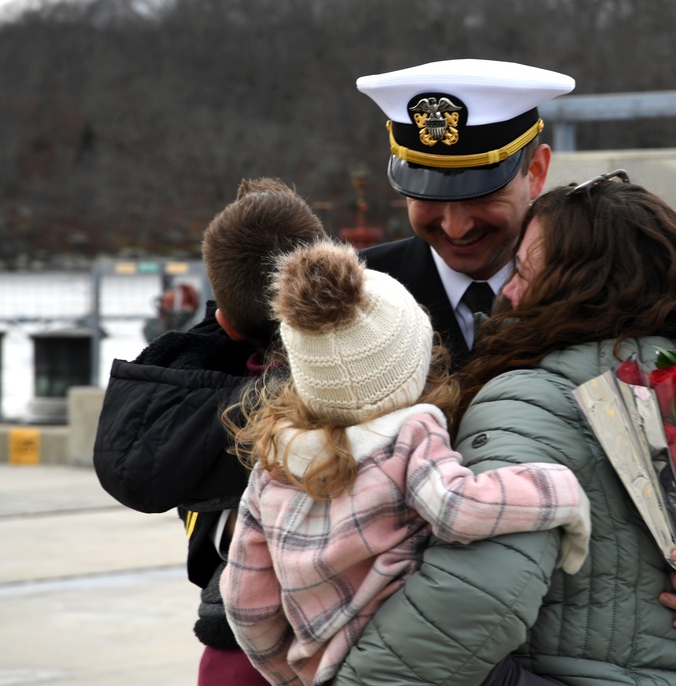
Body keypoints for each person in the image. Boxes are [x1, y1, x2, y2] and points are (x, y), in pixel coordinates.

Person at [355, 58, 676, 646]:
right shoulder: (352, 293)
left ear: (536, 169)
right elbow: (258, 433)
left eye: (480, 193)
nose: (455, 225)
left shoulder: (617, 286)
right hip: (410, 640)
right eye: (427, 195)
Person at [336, 170, 676, 684]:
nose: (508, 291)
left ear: (582, 286)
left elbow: (479, 593)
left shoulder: (533, 398)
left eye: (525, 272)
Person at [219, 240, 590, 686]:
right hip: (407, 651)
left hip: (323, 669)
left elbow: (244, 600)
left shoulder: (273, 461)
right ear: (415, 359)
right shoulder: (412, 431)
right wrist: (561, 491)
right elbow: (459, 510)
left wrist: (289, 675)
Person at [92, 178, 327, 686]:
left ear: (224, 319)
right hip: (345, 639)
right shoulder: (357, 385)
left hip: (235, 642)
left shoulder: (197, 401)